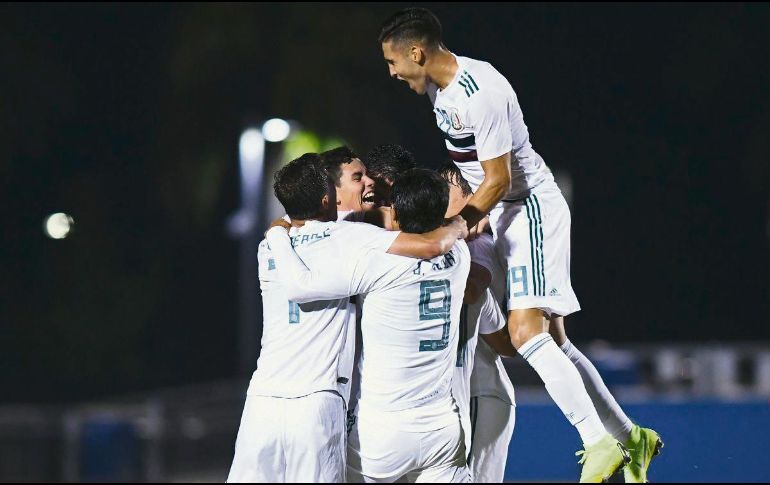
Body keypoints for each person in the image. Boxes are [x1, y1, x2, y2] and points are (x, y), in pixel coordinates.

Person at [378, 8, 662, 482]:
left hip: (525, 208)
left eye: (392, 62)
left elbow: (499, 179)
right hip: (493, 213)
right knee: (549, 340)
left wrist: (454, 226)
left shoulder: (480, 93)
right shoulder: (437, 90)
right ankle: (631, 437)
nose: (392, 73)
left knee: (527, 333)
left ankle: (597, 443)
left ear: (417, 52)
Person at [227, 154, 466, 483]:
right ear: (330, 196)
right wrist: (456, 224)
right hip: (315, 402)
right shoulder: (353, 241)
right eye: (358, 177)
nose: (369, 183)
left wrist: (278, 232)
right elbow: (430, 245)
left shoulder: (269, 245)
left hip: (261, 402)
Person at [441, 163, 517, 483]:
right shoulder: (452, 242)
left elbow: (472, 290)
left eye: (445, 190)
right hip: (461, 392)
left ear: (473, 197)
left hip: (478, 389)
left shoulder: (478, 243)